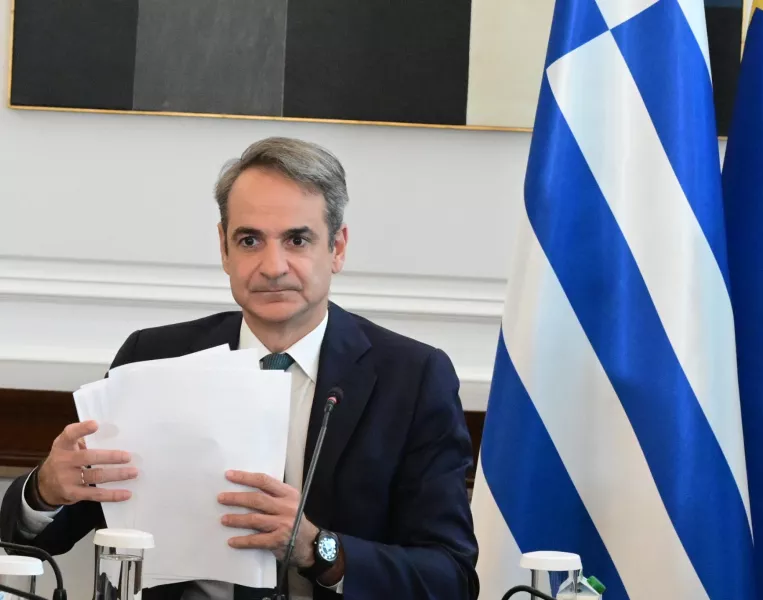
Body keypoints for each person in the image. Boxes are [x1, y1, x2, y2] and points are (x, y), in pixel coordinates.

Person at [0, 138, 479, 600]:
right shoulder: (153, 356)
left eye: (297, 240)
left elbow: (450, 577)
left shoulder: (412, 378)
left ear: (337, 248)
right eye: (250, 240)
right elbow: (42, 539)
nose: (273, 266)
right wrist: (45, 490)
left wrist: (318, 548)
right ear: (224, 249)